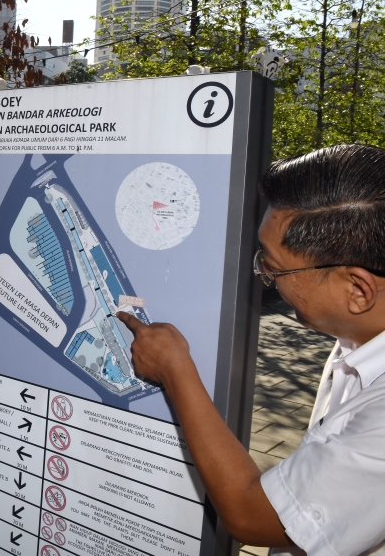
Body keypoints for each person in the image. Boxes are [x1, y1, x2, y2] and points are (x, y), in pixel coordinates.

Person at [117, 144, 385, 556]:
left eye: (275, 268)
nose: (264, 275)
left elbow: (252, 515)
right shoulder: (360, 339)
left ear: (357, 290)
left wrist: (175, 369)